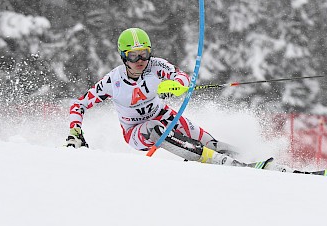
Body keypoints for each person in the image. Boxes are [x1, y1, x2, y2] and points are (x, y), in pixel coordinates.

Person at [64, 27, 272, 168]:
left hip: (165, 115)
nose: (140, 60)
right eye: (133, 55)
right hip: (136, 132)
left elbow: (180, 76)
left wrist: (176, 85)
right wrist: (75, 131)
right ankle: (215, 161)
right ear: (123, 56)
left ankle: (248, 160)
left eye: (144, 54)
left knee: (209, 142)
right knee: (155, 129)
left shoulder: (156, 66)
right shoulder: (113, 81)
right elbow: (79, 104)